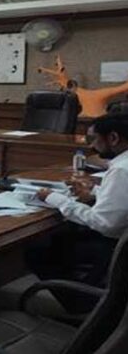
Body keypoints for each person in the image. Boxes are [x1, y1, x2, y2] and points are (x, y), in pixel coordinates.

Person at [29, 113, 128, 297]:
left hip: (115, 246)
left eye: (93, 139)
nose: (91, 146)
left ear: (113, 138)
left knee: (39, 248)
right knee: (62, 237)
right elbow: (122, 200)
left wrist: (54, 198)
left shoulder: (121, 170)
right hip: (120, 239)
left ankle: (81, 302)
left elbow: (104, 223)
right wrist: (94, 192)